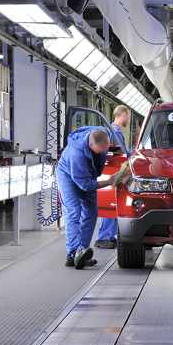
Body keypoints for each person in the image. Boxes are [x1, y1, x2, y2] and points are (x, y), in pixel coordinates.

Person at [57, 126, 129, 269]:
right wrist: (110, 181)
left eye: (106, 149)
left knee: (91, 212)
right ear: (91, 145)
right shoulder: (76, 154)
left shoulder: (103, 132)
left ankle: (81, 253)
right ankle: (73, 254)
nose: (103, 152)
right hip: (68, 177)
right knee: (73, 212)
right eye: (101, 150)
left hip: (88, 174)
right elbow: (85, 185)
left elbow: (111, 147)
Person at [95, 105, 132, 249]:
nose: (128, 119)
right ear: (122, 115)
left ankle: (110, 236)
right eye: (128, 116)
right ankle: (103, 237)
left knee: (115, 205)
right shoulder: (112, 132)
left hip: (117, 172)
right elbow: (117, 152)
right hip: (113, 172)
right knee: (111, 205)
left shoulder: (115, 132)